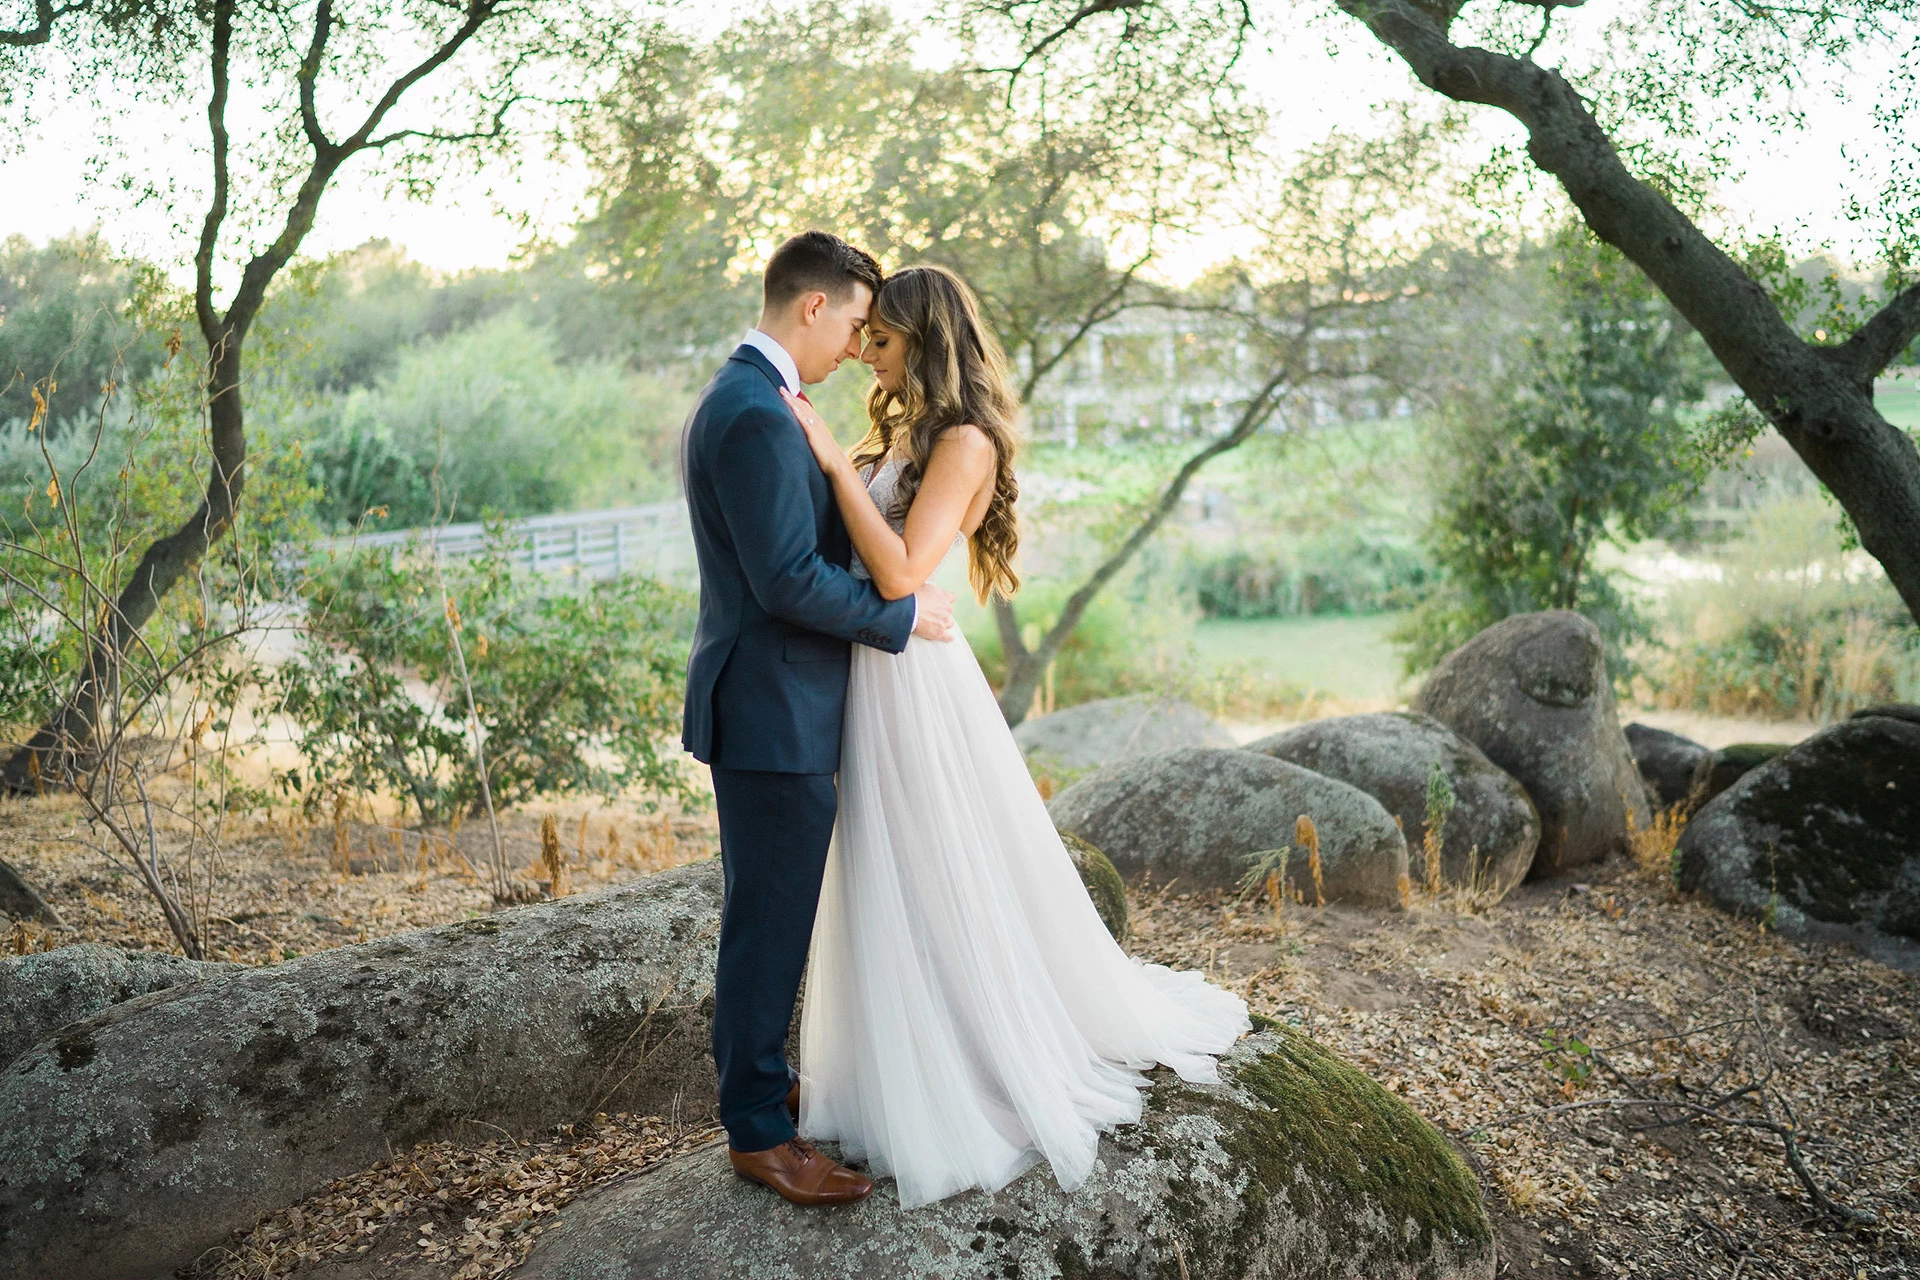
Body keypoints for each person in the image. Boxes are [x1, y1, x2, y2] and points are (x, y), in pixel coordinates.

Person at [782, 262, 1252, 1210]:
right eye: (864, 337)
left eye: (883, 339)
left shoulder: (962, 441)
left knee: (936, 859)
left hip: (913, 675)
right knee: (883, 863)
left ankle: (975, 1051)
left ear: (925, 338)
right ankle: (897, 1054)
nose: (867, 353)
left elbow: (907, 572)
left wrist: (835, 464)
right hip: (868, 670)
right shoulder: (902, 430)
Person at [678, 230, 958, 1207]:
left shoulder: (766, 400)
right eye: (851, 320)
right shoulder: (753, 412)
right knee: (769, 918)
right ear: (812, 305)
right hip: (769, 706)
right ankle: (758, 1129)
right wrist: (901, 614)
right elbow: (786, 580)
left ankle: (765, 1090)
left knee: (774, 909)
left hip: (782, 699)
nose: (854, 344)